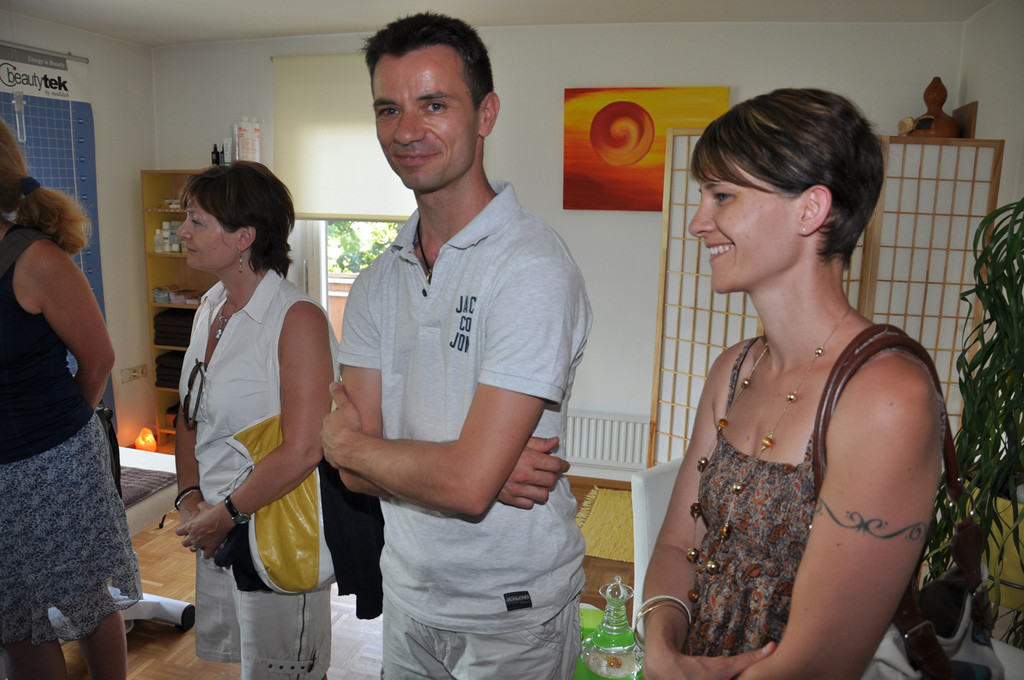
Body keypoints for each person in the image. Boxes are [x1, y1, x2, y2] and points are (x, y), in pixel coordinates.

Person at [638, 88, 945, 679]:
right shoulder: (735, 370)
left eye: (722, 195)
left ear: (810, 209)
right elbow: (678, 543)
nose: (698, 222)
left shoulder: (887, 398)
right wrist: (662, 650)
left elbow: (822, 660)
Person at [320, 12, 592, 679]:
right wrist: (467, 467)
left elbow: (464, 486)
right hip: (408, 594)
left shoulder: (531, 267)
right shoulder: (377, 280)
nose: (406, 131)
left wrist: (348, 444)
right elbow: (357, 478)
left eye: (434, 105)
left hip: (512, 614)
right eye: (388, 109)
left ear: (485, 114)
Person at [172, 161, 351, 680]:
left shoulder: (296, 319)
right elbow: (190, 412)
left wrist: (224, 514)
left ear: (244, 237)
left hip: (273, 525)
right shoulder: (211, 307)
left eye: (197, 221)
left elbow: (304, 448)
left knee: (286, 671)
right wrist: (190, 498)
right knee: (252, 666)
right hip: (214, 520)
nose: (183, 231)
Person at [0, 119, 140, 679]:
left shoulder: (36, 260)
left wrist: (60, 433)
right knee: (14, 617)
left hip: (57, 463)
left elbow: (99, 358)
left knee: (87, 598)